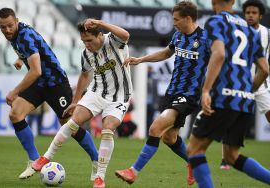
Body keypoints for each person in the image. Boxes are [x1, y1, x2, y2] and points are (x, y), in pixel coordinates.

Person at [114, 1, 210, 186]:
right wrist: (140, 59)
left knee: (155, 128)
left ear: (188, 18)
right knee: (169, 137)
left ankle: (133, 171)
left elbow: (219, 62)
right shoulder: (178, 36)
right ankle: (193, 162)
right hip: (171, 92)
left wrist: (210, 90)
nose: (174, 23)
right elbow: (166, 53)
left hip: (189, 95)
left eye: (176, 19)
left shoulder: (206, 39)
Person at [0, 8, 98, 179]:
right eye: (2, 27)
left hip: (55, 83)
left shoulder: (24, 35)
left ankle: (96, 160)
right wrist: (22, 59)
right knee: (16, 114)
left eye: (9, 26)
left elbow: (36, 71)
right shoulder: (16, 35)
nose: (7, 30)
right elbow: (33, 51)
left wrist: (15, 91)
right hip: (39, 84)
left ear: (17, 21)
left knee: (70, 126)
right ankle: (34, 159)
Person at [31, 18, 133, 188]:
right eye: (83, 41)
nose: (86, 44)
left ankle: (100, 177)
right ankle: (46, 157)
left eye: (89, 40)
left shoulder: (113, 41)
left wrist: (100, 22)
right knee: (73, 122)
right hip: (97, 92)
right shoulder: (86, 54)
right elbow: (85, 75)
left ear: (100, 35)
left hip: (119, 96)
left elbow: (126, 34)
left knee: (108, 129)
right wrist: (76, 100)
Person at [186, 0, 270, 187]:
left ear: (212, 2)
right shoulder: (250, 29)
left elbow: (220, 54)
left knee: (194, 150)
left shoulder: (216, 21)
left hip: (224, 96)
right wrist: (247, 91)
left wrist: (206, 89)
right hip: (246, 100)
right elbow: (264, 69)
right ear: (233, 2)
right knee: (232, 156)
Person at [219, 0, 270, 172]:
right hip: (239, 84)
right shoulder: (238, 32)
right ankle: (225, 158)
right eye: (247, 12)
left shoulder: (267, 34)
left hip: (262, 84)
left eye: (254, 13)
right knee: (229, 119)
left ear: (260, 16)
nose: (250, 15)